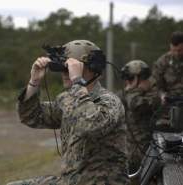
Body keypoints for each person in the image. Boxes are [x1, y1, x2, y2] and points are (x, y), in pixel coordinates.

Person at [8, 40, 128, 185]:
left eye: (69, 68)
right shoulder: (67, 100)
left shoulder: (110, 101)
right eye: (62, 68)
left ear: (92, 68)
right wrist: (34, 82)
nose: (65, 73)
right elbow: (32, 117)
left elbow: (90, 124)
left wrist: (77, 81)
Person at [119, 60, 160, 178]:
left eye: (131, 79)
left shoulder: (153, 94)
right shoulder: (128, 93)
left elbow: (135, 105)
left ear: (141, 78)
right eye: (127, 79)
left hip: (145, 154)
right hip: (128, 152)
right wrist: (134, 88)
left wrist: (137, 89)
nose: (128, 83)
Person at [153, 31, 183, 103]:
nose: (176, 53)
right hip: (170, 103)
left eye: (180, 50)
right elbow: (156, 85)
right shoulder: (162, 62)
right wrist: (162, 95)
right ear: (170, 46)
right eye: (174, 50)